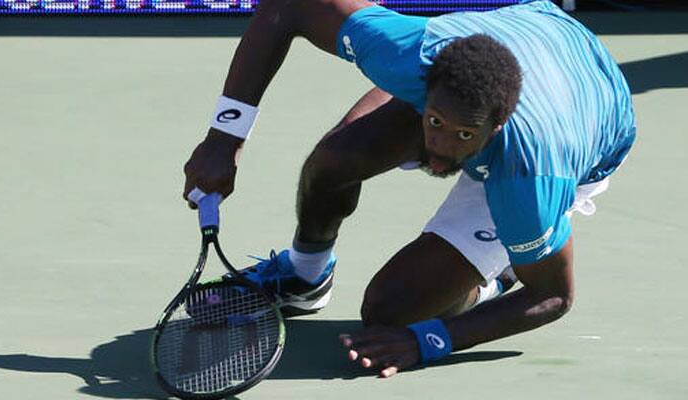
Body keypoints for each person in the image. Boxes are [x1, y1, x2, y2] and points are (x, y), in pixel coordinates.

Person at [182, 0, 635, 378]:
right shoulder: (411, 55)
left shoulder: (531, 177)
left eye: (462, 136)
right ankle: (304, 277)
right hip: (535, 31)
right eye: (433, 124)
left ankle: (499, 275)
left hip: (591, 116)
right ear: (424, 87)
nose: (438, 148)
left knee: (393, 311)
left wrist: (429, 341)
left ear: (497, 127)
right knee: (335, 160)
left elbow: (553, 296)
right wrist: (225, 137)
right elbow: (290, 6)